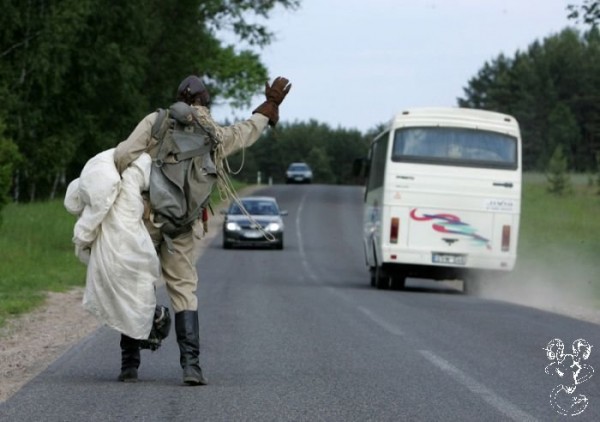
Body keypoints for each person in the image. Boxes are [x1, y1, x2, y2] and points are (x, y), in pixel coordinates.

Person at [113, 75, 291, 385]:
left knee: (135, 283)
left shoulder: (156, 121)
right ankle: (191, 366)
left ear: (179, 98)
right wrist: (270, 106)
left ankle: (130, 364)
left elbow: (123, 155)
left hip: (146, 218)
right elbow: (246, 132)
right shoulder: (213, 134)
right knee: (184, 291)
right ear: (204, 102)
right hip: (183, 225)